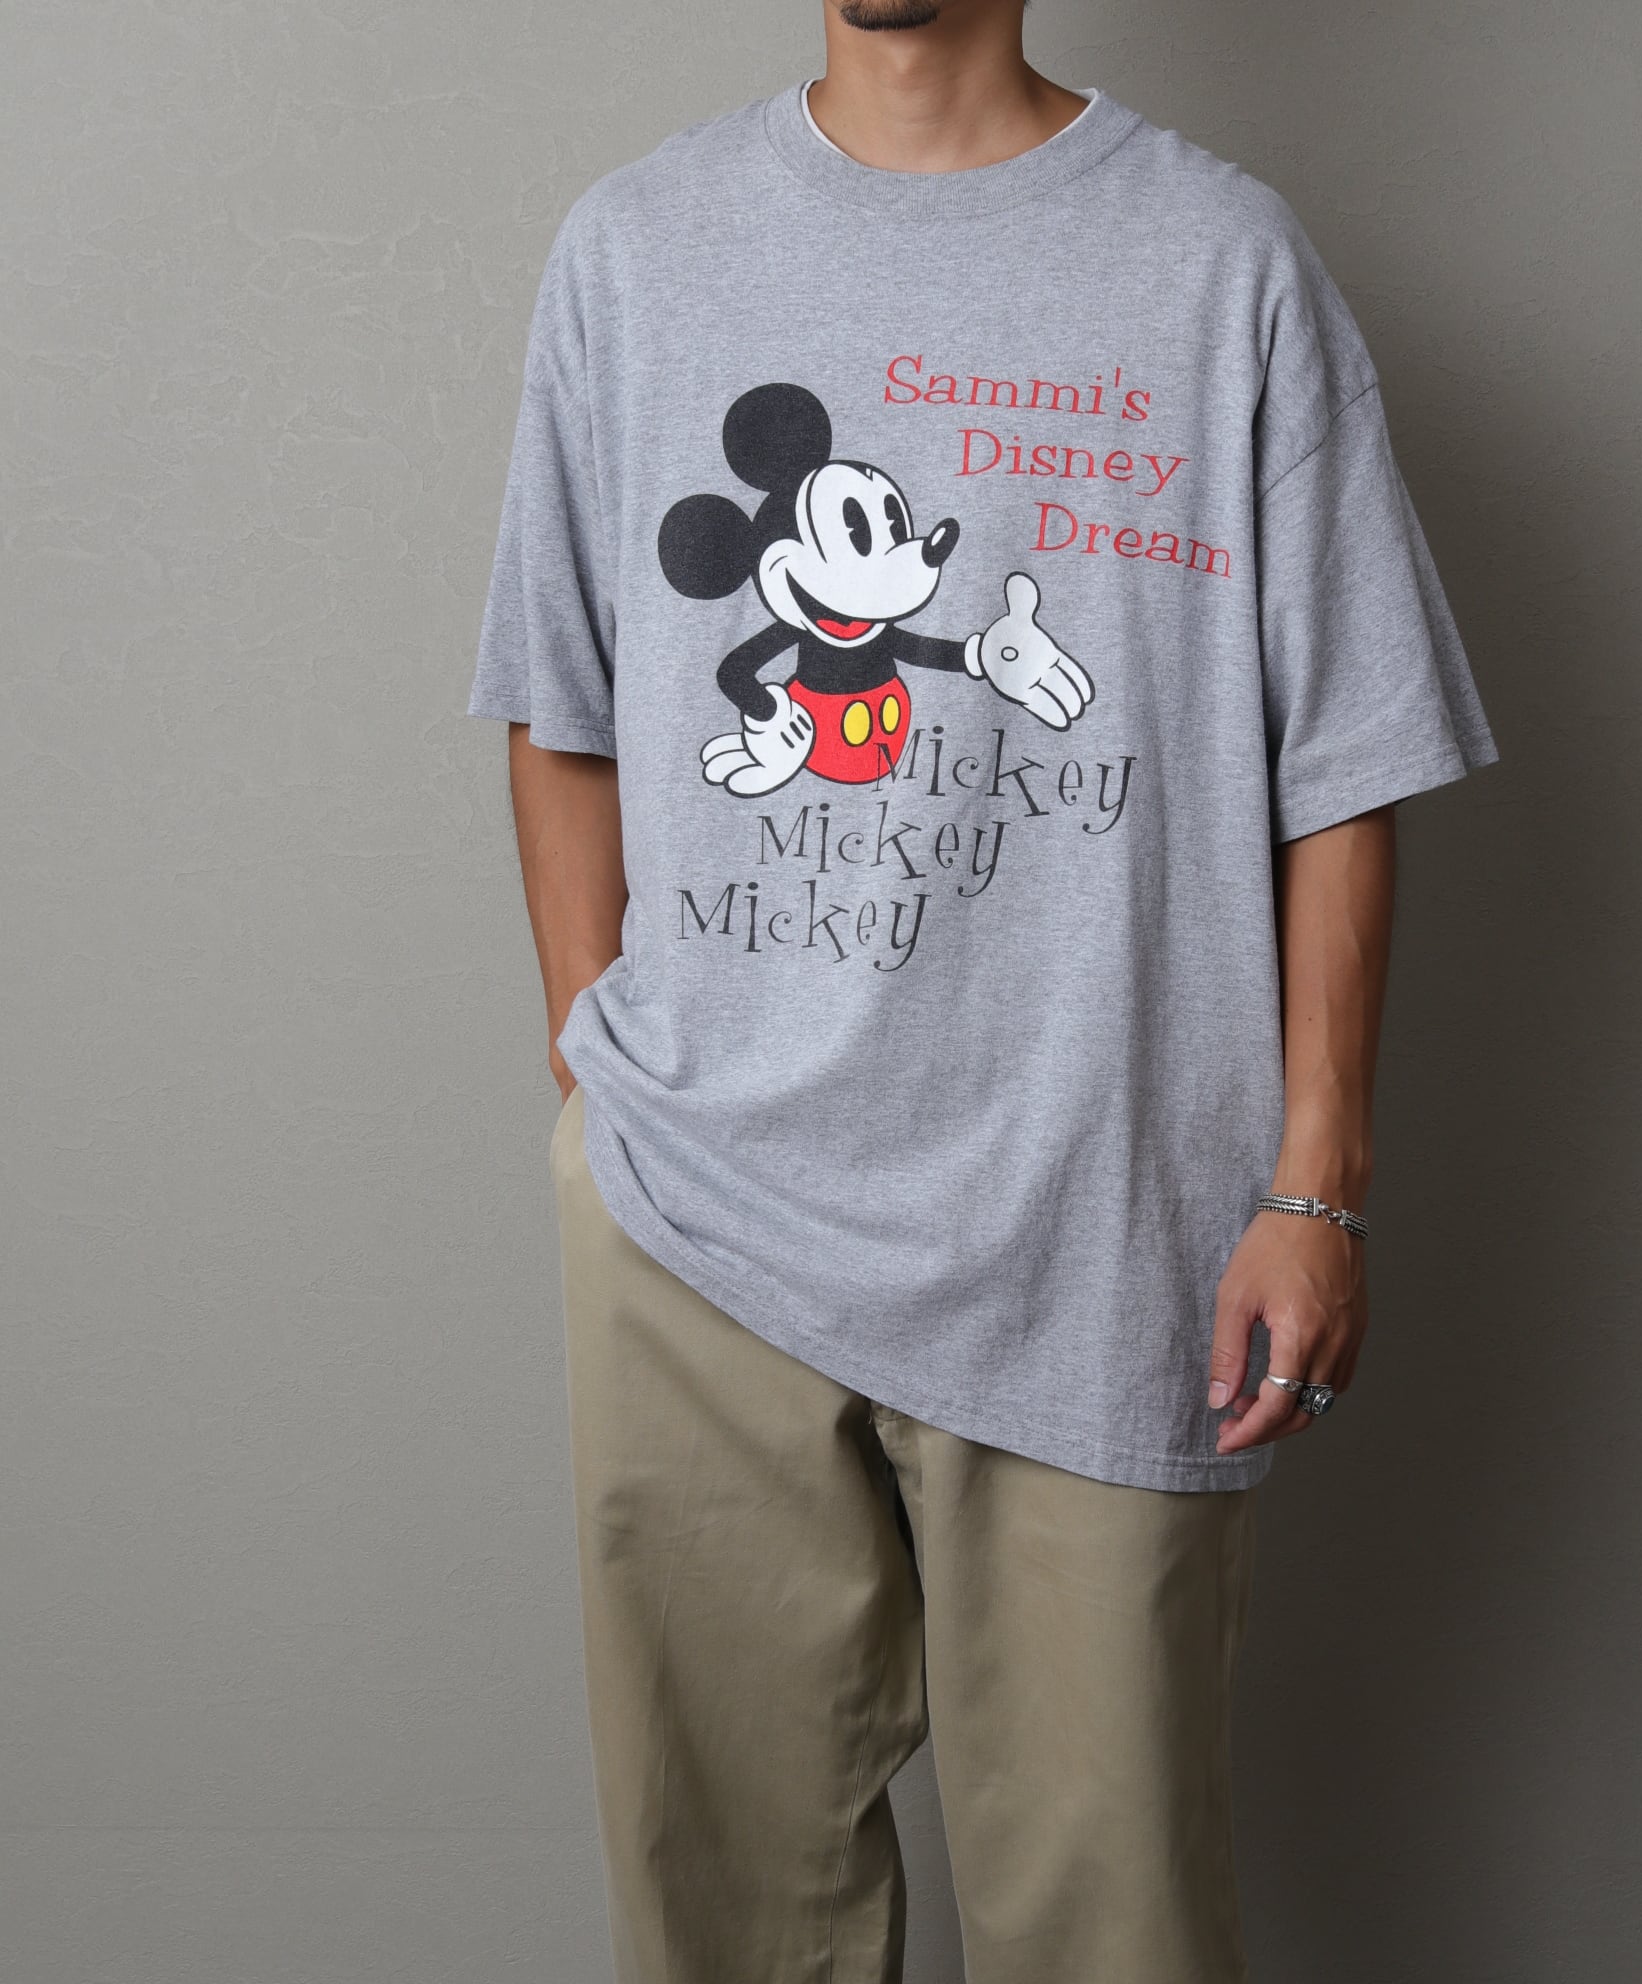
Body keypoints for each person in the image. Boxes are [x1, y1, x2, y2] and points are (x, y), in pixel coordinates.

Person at [468, 2, 1496, 1978]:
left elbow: (1345, 765)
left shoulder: (1219, 264)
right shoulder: (636, 249)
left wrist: (1316, 1182)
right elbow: (558, 699)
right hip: (697, 1221)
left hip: (1095, 1221)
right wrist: (609, 1083)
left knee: (1112, 1919)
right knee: (722, 1914)